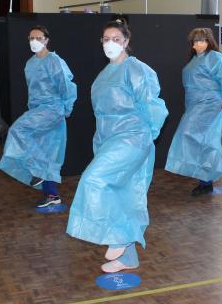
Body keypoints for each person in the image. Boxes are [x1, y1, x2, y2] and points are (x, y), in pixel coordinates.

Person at [67, 19, 168, 273]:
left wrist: (147, 137)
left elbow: (153, 106)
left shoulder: (136, 69)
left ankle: (121, 238)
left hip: (133, 138)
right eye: (106, 39)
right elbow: (102, 116)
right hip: (109, 141)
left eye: (115, 39)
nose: (110, 43)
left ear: (126, 41)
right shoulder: (103, 76)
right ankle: (128, 258)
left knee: (93, 180)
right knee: (123, 195)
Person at [0, 26, 77, 211]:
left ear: (46, 40)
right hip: (37, 110)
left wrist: (66, 108)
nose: (34, 41)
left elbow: (66, 85)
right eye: (31, 37)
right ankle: (52, 196)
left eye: (38, 37)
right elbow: (32, 91)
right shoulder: (30, 63)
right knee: (47, 151)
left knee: (18, 130)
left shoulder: (54, 61)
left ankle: (40, 172)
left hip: (52, 109)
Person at [165, 27, 222, 195]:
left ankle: (207, 177)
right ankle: (206, 180)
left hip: (209, 104)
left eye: (202, 40)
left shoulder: (214, 58)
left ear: (209, 41)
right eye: (195, 41)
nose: (198, 43)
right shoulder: (194, 60)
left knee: (190, 135)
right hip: (194, 105)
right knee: (206, 141)